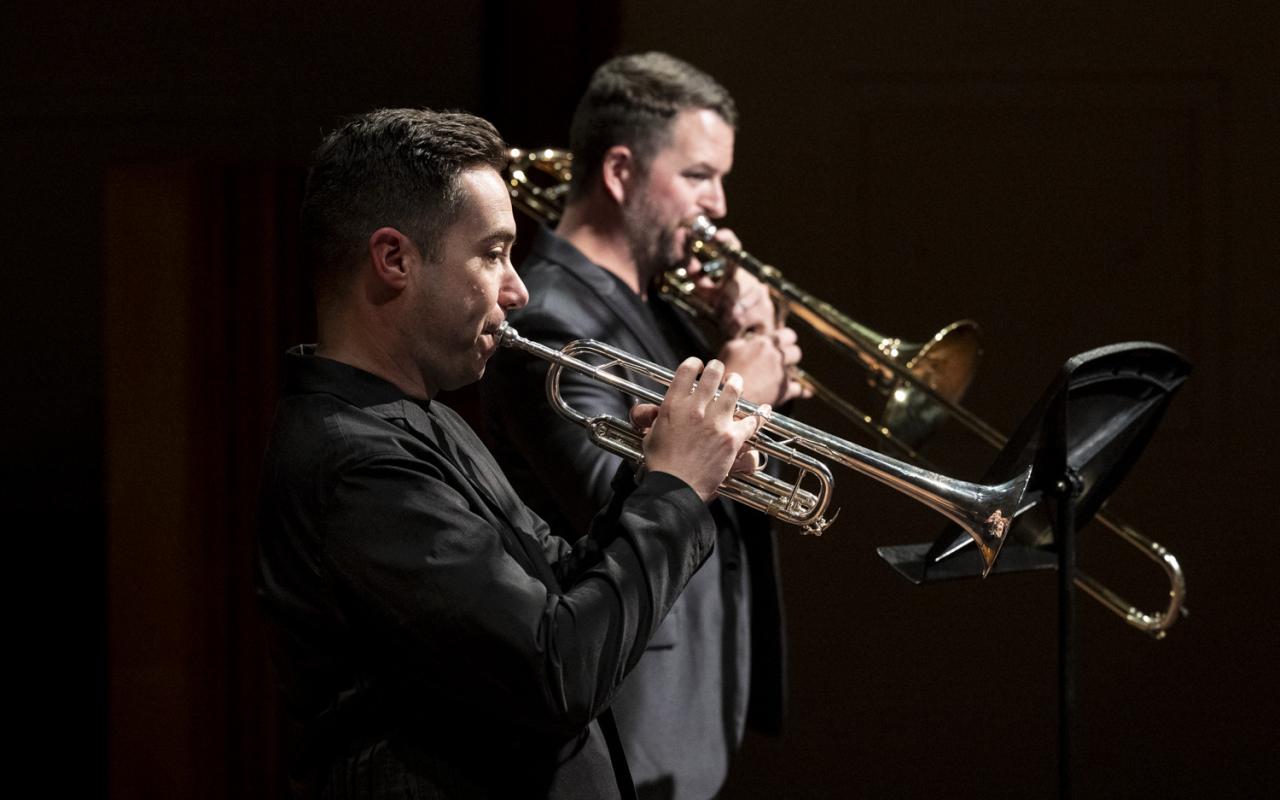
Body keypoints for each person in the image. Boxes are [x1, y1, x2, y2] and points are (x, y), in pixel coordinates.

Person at [254, 107, 769, 799]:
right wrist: (673, 491)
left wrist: (656, 474)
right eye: (493, 253)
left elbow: (557, 584)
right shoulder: (356, 465)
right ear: (394, 259)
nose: (517, 289)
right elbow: (557, 669)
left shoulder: (423, 422)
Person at [481, 53, 804, 800]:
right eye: (698, 175)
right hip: (619, 726)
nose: (719, 205)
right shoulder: (550, 321)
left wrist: (741, 357)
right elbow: (620, 496)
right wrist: (739, 389)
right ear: (621, 172)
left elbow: (744, 492)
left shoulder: (661, 313)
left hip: (691, 712)